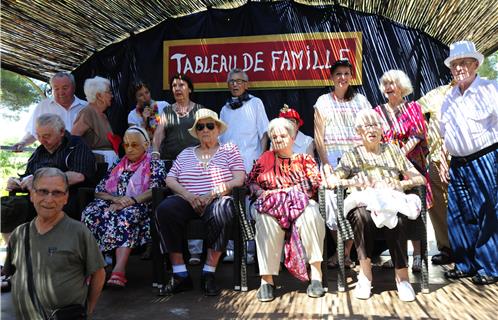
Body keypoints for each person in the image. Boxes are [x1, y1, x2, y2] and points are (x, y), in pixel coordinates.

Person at [328, 109, 426, 302]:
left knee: (397, 217)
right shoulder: (352, 155)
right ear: (358, 131)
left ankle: (402, 278)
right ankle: (365, 275)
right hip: (364, 202)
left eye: (375, 125)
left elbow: (419, 178)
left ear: (382, 129)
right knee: (362, 216)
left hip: (390, 200)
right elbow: (334, 178)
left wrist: (401, 183)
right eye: (366, 126)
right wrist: (351, 182)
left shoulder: (393, 151)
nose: (371, 130)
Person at [155, 109, 245, 296]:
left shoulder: (229, 150)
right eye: (201, 126)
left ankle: (208, 272)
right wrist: (188, 196)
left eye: (210, 125)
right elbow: (170, 180)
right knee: (164, 209)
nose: (205, 130)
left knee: (224, 209)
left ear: (218, 129)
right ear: (196, 131)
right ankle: (180, 274)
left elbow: (239, 179)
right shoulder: (186, 153)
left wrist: (212, 194)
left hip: (216, 200)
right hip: (188, 200)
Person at [3, 167, 106, 319]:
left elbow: (99, 274)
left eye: (57, 193)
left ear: (66, 198)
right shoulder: (19, 234)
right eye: (43, 191)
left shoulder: (79, 232)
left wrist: (89, 310)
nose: (49, 199)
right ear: (32, 195)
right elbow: (12, 273)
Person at [439, 40, 498, 285]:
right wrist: (443, 161)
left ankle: (490, 268)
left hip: (485, 158)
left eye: (464, 62)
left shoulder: (490, 89)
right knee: (458, 215)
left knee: (488, 213)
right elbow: (444, 134)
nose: (459, 68)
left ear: (475, 64)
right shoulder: (449, 97)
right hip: (457, 163)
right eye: (455, 64)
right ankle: (465, 264)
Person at [247, 118, 325, 302]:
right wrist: (258, 190)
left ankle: (316, 274)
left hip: (299, 204)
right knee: (265, 219)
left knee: (312, 213)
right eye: (274, 137)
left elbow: (314, 182)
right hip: (270, 206)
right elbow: (251, 180)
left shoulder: (304, 159)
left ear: (292, 137)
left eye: (283, 136)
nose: (278, 140)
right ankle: (267, 280)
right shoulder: (265, 158)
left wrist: (286, 192)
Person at [81, 126, 166, 288]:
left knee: (125, 216)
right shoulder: (118, 165)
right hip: (115, 203)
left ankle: (119, 270)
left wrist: (131, 201)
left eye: (134, 144)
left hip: (142, 206)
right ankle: (97, 267)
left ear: (146, 144)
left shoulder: (155, 164)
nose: (129, 148)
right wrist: (117, 199)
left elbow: (156, 190)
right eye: (126, 145)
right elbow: (99, 191)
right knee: (90, 213)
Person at [314, 59, 372, 268]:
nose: (342, 78)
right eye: (338, 74)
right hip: (331, 159)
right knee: (331, 204)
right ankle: (341, 250)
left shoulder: (361, 101)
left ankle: (344, 253)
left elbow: (369, 131)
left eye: (346, 73)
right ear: (331, 77)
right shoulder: (322, 101)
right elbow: (318, 136)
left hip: (357, 160)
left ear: (351, 76)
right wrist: (325, 162)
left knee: (356, 203)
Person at [2, 114, 96, 242]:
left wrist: (40, 181)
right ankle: (14, 255)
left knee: (11, 211)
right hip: (35, 198)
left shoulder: (75, 145)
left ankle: (19, 257)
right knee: (5, 208)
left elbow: (78, 175)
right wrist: (17, 181)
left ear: (61, 132)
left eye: (46, 136)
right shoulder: (39, 151)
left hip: (64, 198)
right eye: (39, 136)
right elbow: (28, 175)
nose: (42, 140)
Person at [374, 69, 432, 272]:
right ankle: (398, 256)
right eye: (386, 84)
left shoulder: (413, 107)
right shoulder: (378, 112)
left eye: (393, 83)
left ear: (402, 86)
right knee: (394, 212)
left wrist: (399, 156)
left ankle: (417, 256)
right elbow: (376, 139)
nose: (389, 87)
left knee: (414, 211)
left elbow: (417, 135)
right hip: (388, 169)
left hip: (412, 166)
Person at [152, 74, 205, 265]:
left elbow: (207, 136)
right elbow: (158, 134)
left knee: (195, 200)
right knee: (172, 206)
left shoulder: (200, 111)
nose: (177, 88)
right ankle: (171, 252)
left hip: (195, 165)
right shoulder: (166, 111)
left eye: (181, 85)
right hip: (171, 165)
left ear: (190, 89)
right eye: (174, 85)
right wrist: (155, 153)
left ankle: (196, 252)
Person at [219, 68, 270, 262]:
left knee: (249, 208)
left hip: (251, 163)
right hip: (228, 167)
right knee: (230, 208)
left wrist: (261, 160)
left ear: (246, 84)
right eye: (231, 81)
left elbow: (264, 133)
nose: (235, 84)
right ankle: (232, 250)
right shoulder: (224, 109)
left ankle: (249, 250)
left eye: (239, 81)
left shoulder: (256, 103)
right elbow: (221, 139)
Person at [417, 82, 456, 265]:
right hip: (436, 159)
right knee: (437, 205)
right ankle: (447, 248)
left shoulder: (480, 91)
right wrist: (425, 138)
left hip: (465, 156)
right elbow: (414, 111)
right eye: (455, 64)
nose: (459, 68)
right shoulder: (438, 93)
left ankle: (472, 251)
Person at [13, 72, 87, 151]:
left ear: (73, 87)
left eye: (65, 88)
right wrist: (23, 142)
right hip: (52, 157)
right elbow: (33, 131)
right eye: (56, 89)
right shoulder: (43, 106)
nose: (61, 92)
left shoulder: (86, 107)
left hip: (80, 156)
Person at [71, 76, 119, 165]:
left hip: (108, 163)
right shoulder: (88, 112)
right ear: (99, 96)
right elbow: (73, 139)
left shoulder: (102, 115)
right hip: (96, 166)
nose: (112, 95)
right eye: (109, 92)